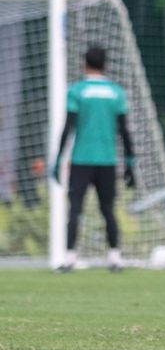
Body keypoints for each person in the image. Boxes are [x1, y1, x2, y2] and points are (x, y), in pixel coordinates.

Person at [53, 47, 136, 272]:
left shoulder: (77, 91)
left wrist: (59, 158)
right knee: (107, 209)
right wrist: (130, 162)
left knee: (75, 208)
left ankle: (70, 257)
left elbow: (68, 127)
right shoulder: (116, 92)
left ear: (85, 63)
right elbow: (124, 130)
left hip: (81, 159)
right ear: (105, 64)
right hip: (107, 160)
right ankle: (115, 258)